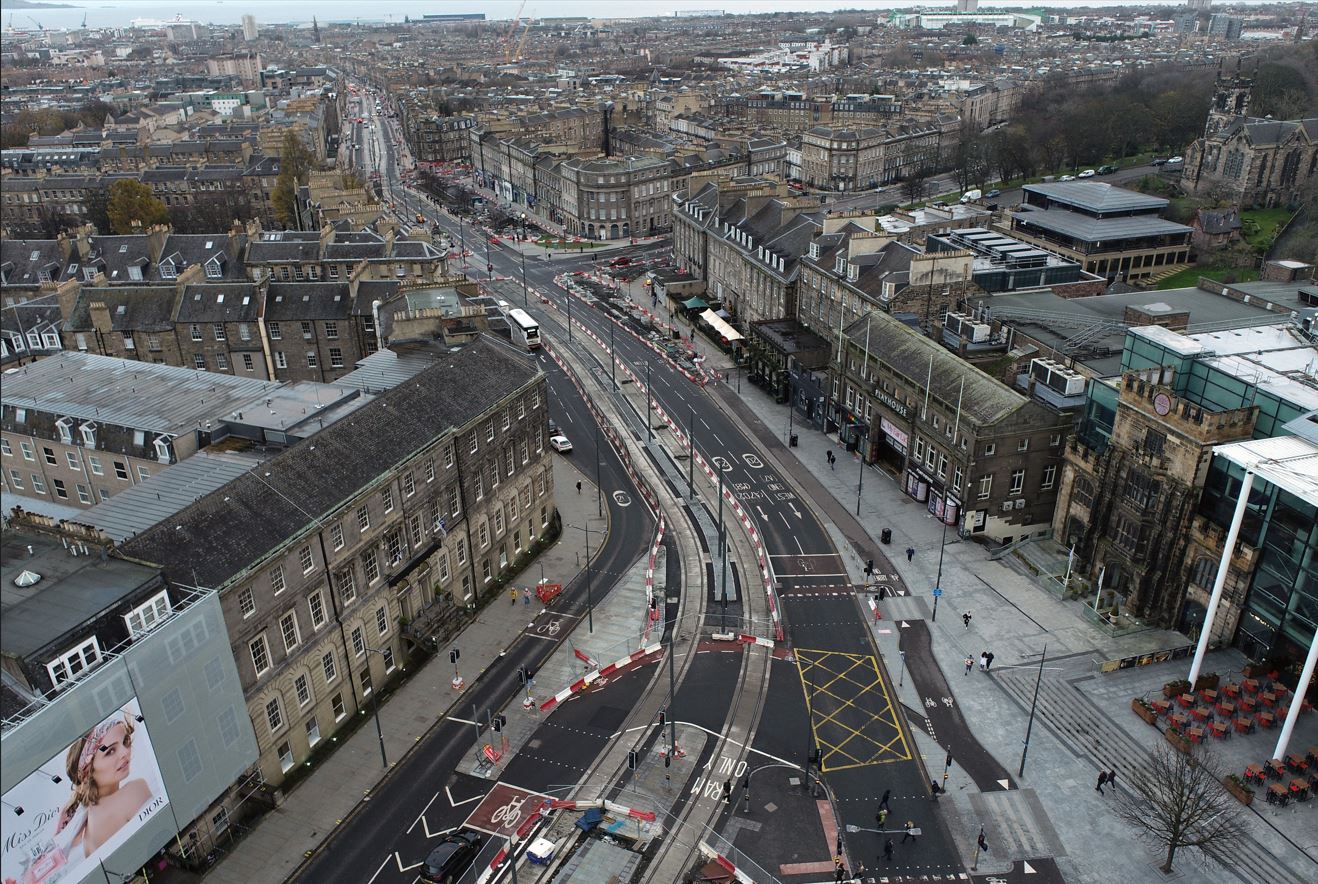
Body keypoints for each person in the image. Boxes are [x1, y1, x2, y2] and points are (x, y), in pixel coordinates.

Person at [54, 713, 153, 859]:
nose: (125, 752)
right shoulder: (134, 790)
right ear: (87, 772)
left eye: (125, 741)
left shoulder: (86, 826)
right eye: (110, 751)